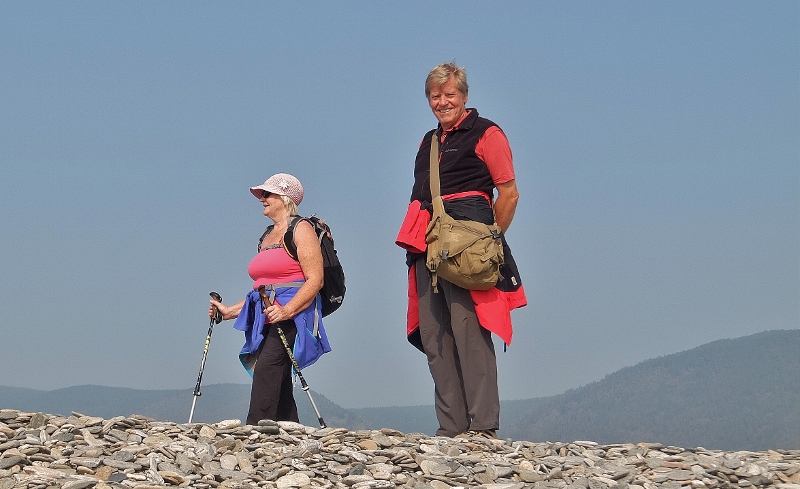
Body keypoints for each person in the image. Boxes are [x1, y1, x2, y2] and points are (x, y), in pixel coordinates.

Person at [395, 62, 527, 439]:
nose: (443, 102)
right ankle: (451, 428)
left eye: (449, 94)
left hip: (468, 245)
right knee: (435, 335)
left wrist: (488, 241)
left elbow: (509, 194)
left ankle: (483, 426)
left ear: (464, 96)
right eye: (435, 96)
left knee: (469, 331)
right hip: (426, 246)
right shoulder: (427, 142)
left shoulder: (488, 133)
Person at [210, 172, 331, 425]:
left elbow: (315, 280)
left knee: (267, 369)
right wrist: (228, 311)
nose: (261, 199)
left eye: (267, 194)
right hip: (267, 316)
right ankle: (291, 434)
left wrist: (287, 311)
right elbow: (262, 291)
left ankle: (254, 431)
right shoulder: (266, 236)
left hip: (295, 316)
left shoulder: (301, 229)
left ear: (284, 198)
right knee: (278, 379)